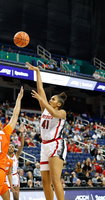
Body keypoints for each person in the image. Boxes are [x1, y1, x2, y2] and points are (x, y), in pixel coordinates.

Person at [27, 62, 67, 200]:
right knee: (45, 182)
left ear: (59, 104)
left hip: (56, 144)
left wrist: (42, 101)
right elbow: (40, 88)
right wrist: (37, 71)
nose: (51, 99)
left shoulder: (62, 112)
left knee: (56, 179)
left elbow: (53, 113)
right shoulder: (45, 109)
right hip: (44, 145)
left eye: (53, 99)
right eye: (51, 98)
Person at [7, 125, 24, 200]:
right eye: (9, 146)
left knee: (16, 196)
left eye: (12, 147)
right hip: (6, 176)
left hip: (14, 176)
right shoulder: (4, 155)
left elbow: (22, 145)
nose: (11, 148)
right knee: (6, 197)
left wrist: (22, 135)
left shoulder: (16, 155)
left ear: (14, 149)